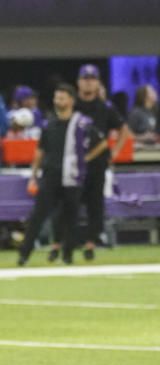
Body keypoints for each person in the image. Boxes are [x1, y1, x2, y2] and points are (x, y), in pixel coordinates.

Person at [17, 84, 103, 266]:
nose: (58, 101)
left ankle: (68, 255)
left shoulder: (82, 123)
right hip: (50, 175)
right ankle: (24, 253)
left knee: (71, 216)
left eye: (62, 98)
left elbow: (102, 143)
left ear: (71, 100)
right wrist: (34, 175)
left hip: (72, 176)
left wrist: (84, 159)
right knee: (38, 215)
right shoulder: (50, 123)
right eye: (56, 97)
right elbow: (40, 151)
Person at [75, 64, 131, 261]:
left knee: (95, 204)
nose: (88, 82)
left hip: (97, 163)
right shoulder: (73, 104)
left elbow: (123, 128)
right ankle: (67, 241)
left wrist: (114, 151)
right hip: (73, 163)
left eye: (92, 79)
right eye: (85, 78)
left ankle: (90, 243)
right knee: (69, 202)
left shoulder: (104, 107)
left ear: (98, 82)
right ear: (79, 81)